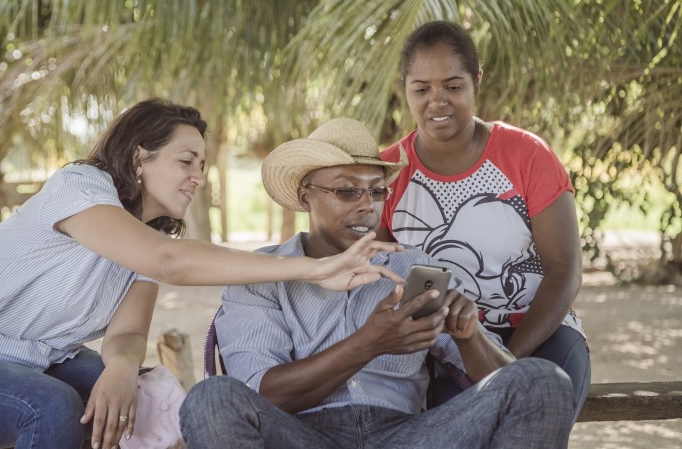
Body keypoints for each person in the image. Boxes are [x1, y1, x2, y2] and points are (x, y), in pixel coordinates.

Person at [0, 99, 402, 449]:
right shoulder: (79, 187)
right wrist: (313, 269)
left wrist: (119, 368)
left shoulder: (156, 235)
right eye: (187, 160)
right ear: (140, 157)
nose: (198, 177)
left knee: (148, 396)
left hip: (37, 363)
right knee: (51, 407)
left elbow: (130, 332)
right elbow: (169, 263)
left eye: (202, 165)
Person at [179, 118, 575, 449]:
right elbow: (263, 394)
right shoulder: (262, 274)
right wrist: (370, 343)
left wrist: (470, 337)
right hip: (302, 436)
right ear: (305, 196)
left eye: (376, 190)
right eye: (346, 190)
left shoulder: (413, 267)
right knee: (211, 401)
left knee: (541, 381)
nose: (366, 203)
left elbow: (503, 379)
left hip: (408, 436)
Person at [378, 20, 590, 420]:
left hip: (541, 334)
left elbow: (565, 270)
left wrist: (506, 358)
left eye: (453, 86)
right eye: (421, 89)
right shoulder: (388, 172)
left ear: (476, 81)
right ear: (403, 88)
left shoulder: (526, 155)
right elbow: (375, 270)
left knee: (537, 412)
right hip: (447, 349)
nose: (436, 102)